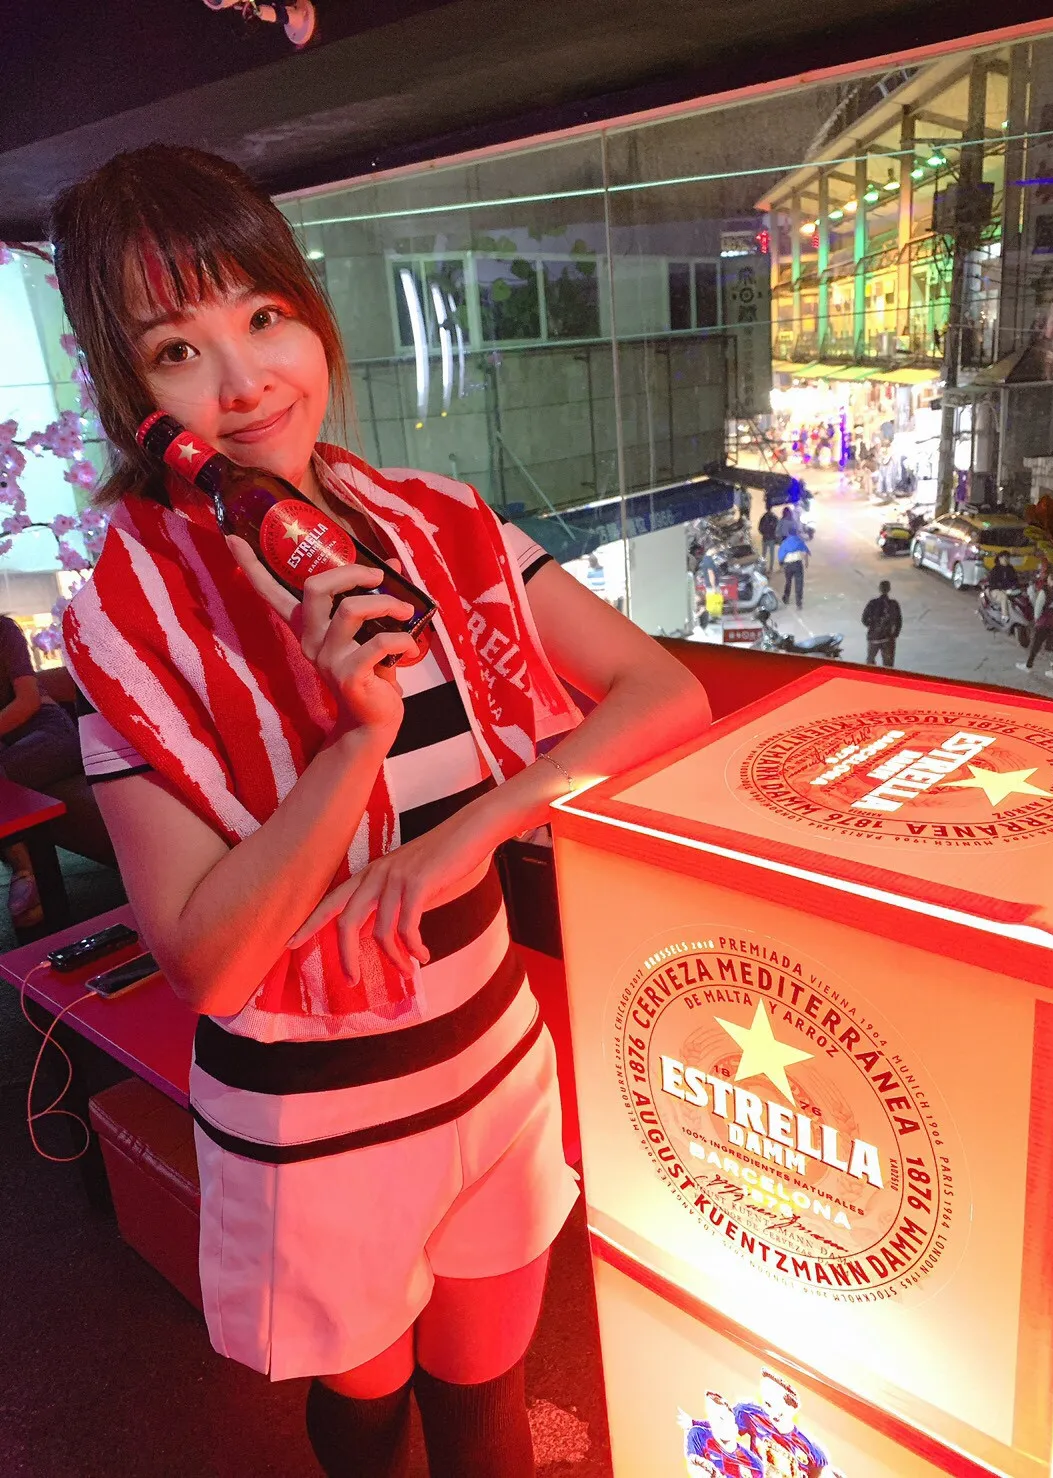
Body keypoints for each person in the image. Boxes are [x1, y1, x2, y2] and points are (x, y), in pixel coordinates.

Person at [53, 145, 712, 1478]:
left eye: (264, 316)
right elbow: (209, 960)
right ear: (133, 397)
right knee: (368, 1416)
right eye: (177, 349)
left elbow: (666, 693)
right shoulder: (128, 621)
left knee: (489, 1400)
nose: (246, 381)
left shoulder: (438, 524)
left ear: (311, 317)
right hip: (312, 1105)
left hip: (490, 1048)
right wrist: (352, 740)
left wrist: (471, 830)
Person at [0, 616, 82, 926]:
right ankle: (27, 875)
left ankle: (26, 872)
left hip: (49, 732)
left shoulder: (4, 630)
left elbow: (28, 701)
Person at [735, 1371, 835, 1478]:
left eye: (778, 1406)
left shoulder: (812, 1451)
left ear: (792, 1407)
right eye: (768, 1404)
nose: (773, 1413)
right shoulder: (750, 1413)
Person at [1017, 573, 1053, 677]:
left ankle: (1029, 665)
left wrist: (1036, 619)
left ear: (1051, 579)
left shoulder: (1045, 591)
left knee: (1036, 644)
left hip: (1045, 622)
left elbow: (1038, 607)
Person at [861, 579, 902, 666]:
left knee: (870, 661)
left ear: (879, 589)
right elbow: (899, 621)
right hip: (888, 638)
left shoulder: (872, 603)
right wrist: (895, 634)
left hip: (874, 637)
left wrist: (873, 627)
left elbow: (864, 619)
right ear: (889, 589)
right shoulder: (894, 604)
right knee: (888, 664)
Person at [777, 527, 810, 610]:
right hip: (798, 564)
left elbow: (781, 556)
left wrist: (781, 565)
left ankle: (786, 598)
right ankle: (799, 602)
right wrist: (806, 562)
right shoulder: (799, 541)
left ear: (788, 533)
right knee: (799, 583)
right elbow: (805, 551)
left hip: (788, 565)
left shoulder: (785, 543)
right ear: (796, 533)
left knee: (788, 582)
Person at [985, 551, 1020, 624]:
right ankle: (1005, 616)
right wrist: (1002, 589)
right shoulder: (995, 569)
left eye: (1008, 558)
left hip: (1009, 590)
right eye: (1005, 558)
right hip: (996, 590)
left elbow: (1015, 580)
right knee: (1004, 597)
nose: (1006, 560)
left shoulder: (1010, 568)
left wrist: (1014, 586)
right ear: (1000, 558)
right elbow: (992, 583)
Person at [757, 506, 778, 573]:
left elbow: (759, 528)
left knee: (763, 554)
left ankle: (763, 567)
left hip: (765, 538)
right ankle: (770, 568)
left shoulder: (763, 517)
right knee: (772, 554)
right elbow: (777, 527)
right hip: (771, 538)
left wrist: (764, 533)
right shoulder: (774, 517)